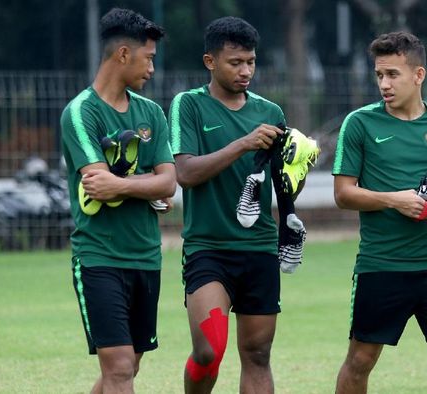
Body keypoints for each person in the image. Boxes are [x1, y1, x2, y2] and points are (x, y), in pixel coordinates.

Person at [332, 31, 427, 394]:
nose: (384, 84)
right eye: (379, 75)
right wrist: (394, 199)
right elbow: (343, 194)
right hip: (381, 264)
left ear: (418, 76)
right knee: (360, 360)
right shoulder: (359, 124)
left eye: (393, 75)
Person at [168, 16, 315, 394]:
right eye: (235, 62)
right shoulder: (189, 105)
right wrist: (242, 144)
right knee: (208, 351)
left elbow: (284, 183)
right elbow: (184, 172)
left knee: (258, 354)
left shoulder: (270, 112)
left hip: (259, 249)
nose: (246, 70)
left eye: (251, 61)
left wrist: (299, 171)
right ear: (210, 62)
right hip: (208, 249)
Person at [60, 8, 176, 393]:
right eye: (149, 59)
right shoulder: (80, 112)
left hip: (146, 255)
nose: (152, 70)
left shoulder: (152, 113)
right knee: (121, 367)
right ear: (123, 54)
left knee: (129, 366)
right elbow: (97, 184)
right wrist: (147, 184)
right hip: (99, 257)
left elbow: (169, 183)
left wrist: (129, 185)